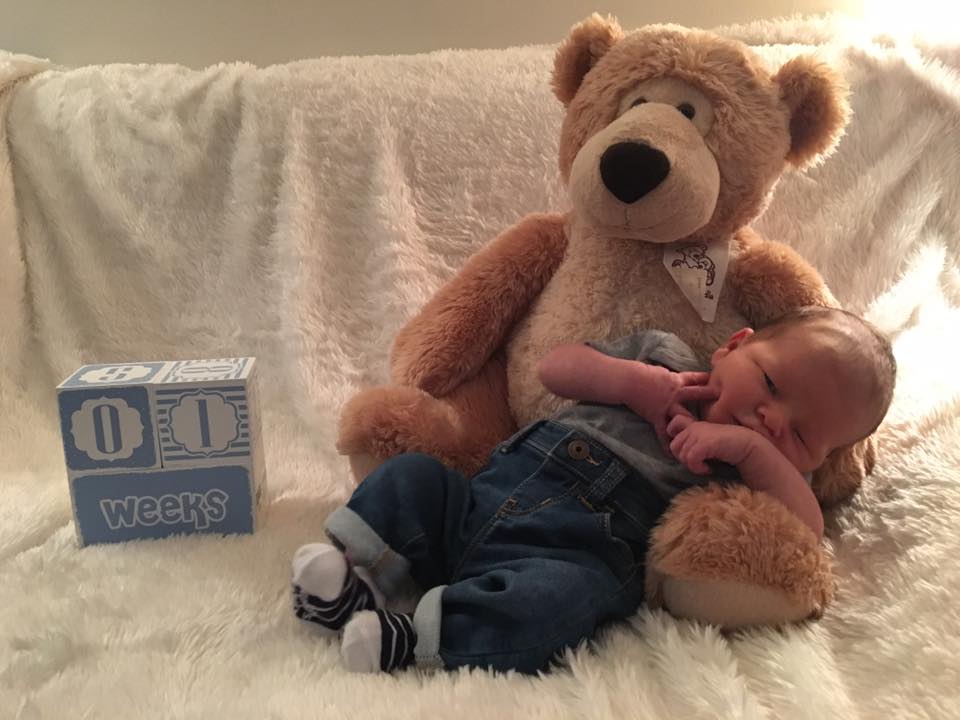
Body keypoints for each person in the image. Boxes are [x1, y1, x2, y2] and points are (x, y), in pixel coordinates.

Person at [291, 306, 896, 675]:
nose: (772, 419)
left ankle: (420, 638)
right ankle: (357, 574)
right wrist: (631, 382)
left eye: (802, 434)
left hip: (571, 553)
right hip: (483, 496)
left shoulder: (757, 472)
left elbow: (805, 531)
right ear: (734, 345)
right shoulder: (663, 356)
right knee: (413, 477)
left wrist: (753, 453)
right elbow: (555, 367)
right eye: (769, 381)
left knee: (562, 605)